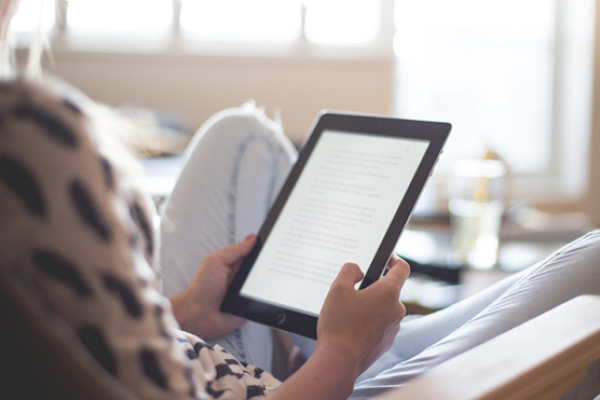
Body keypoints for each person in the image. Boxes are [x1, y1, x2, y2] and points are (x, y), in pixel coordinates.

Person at [1, 2, 599, 399]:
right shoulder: (28, 132)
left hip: (207, 352)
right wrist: (338, 356)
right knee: (596, 262)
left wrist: (182, 311)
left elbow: (96, 346)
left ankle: (337, 337)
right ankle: (354, 349)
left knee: (243, 137)